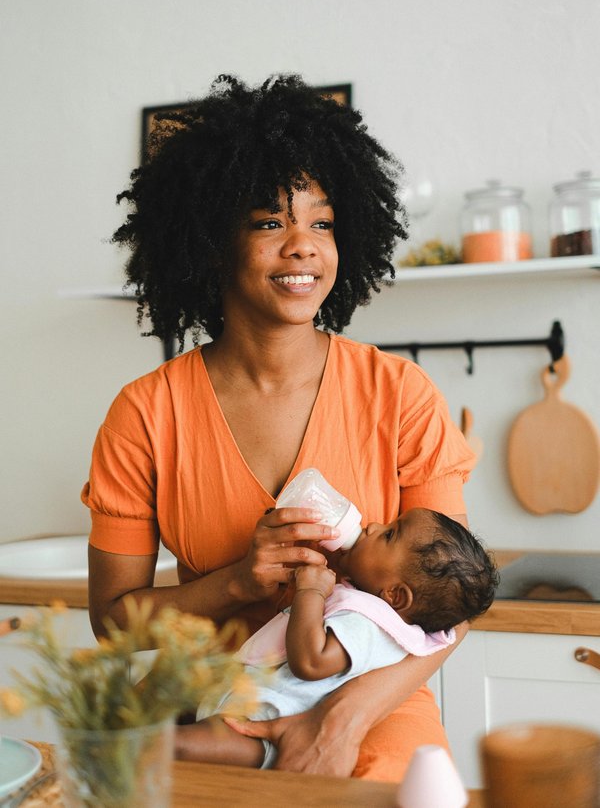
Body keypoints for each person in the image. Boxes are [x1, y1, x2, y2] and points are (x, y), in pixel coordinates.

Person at [82, 73, 478, 781]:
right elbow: (113, 620)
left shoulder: (401, 394)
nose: (303, 246)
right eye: (270, 222)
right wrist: (236, 582)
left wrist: (339, 719)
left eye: (322, 223)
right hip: (213, 707)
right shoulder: (144, 413)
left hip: (374, 703)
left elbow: (448, 608)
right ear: (211, 243)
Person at [174, 508, 498, 768]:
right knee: (156, 709)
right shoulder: (368, 605)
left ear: (396, 595)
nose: (372, 526)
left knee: (179, 745)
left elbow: (312, 662)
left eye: (389, 534)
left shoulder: (369, 624)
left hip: (264, 729)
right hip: (239, 699)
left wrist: (310, 591)